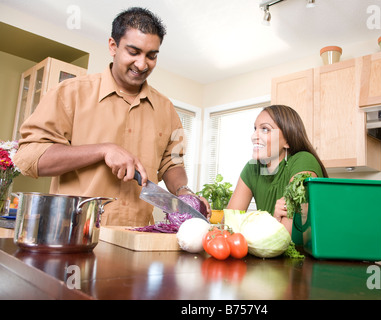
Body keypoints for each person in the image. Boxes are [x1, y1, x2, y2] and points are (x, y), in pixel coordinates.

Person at [13, 7, 210, 226]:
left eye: (151, 56)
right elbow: (28, 157)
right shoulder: (70, 93)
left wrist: (184, 192)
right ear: (113, 46)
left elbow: (172, 163)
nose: (142, 64)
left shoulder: (166, 108)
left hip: (137, 237)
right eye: (133, 52)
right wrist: (102, 150)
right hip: (74, 235)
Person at [227, 104, 328, 243]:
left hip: (303, 261)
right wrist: (273, 220)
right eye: (255, 128)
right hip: (267, 257)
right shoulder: (252, 169)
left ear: (287, 140)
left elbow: (287, 236)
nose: (254, 136)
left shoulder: (303, 160)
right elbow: (227, 228)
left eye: (265, 129)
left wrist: (256, 225)